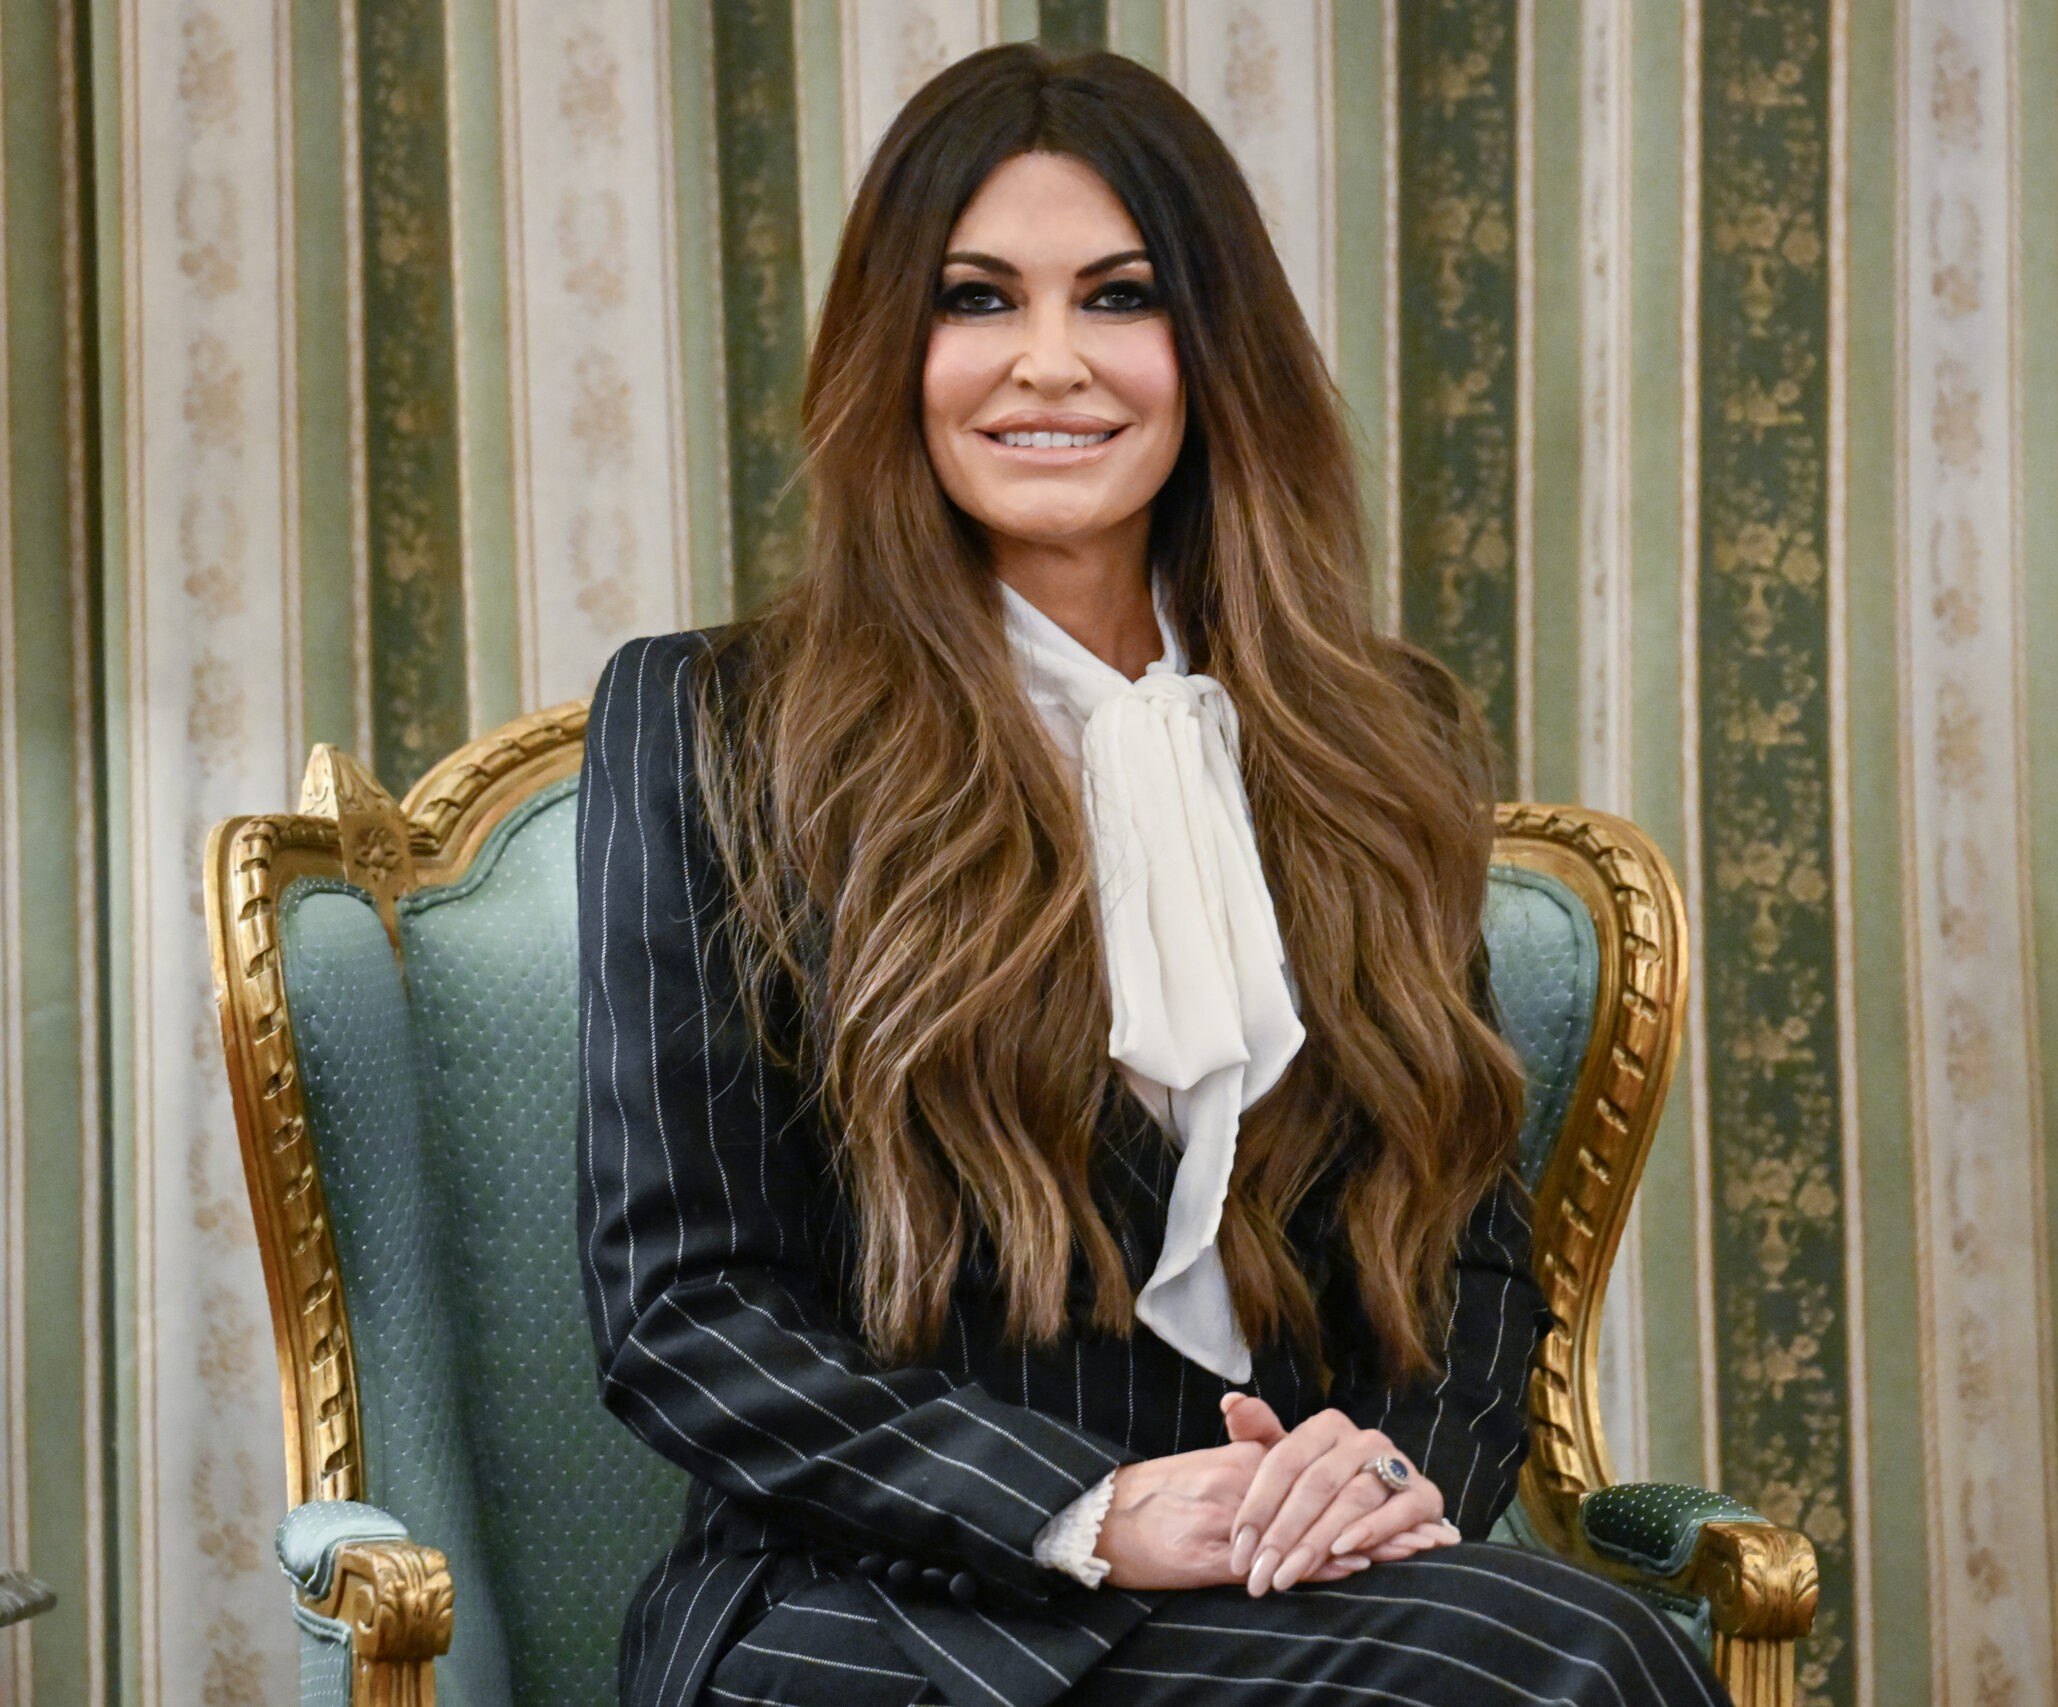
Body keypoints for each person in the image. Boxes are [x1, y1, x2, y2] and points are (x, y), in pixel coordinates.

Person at [575, 40, 1732, 1707]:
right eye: (978, 300)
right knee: (1559, 1671)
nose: (1048, 364)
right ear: (891, 353)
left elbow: (1476, 1261)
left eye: (1118, 298)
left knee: (1564, 1656)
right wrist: (1088, 1509)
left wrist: (1383, 1479)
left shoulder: (1374, 736)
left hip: (1277, 1584)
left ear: (1212, 351)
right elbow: (686, 1313)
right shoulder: (710, 722)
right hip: (877, 1605)